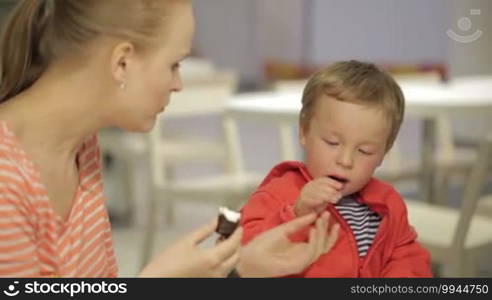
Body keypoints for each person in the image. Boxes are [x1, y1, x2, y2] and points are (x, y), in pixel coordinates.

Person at [0, 0, 338, 278]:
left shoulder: (81, 148)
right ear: (121, 62)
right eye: (174, 64)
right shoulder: (6, 177)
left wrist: (241, 270)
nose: (178, 84)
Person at [240, 60, 433, 277]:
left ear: (383, 154)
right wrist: (296, 215)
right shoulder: (278, 192)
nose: (345, 160)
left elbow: (406, 254)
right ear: (304, 132)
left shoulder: (388, 203)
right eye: (332, 142)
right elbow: (244, 252)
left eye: (365, 151)